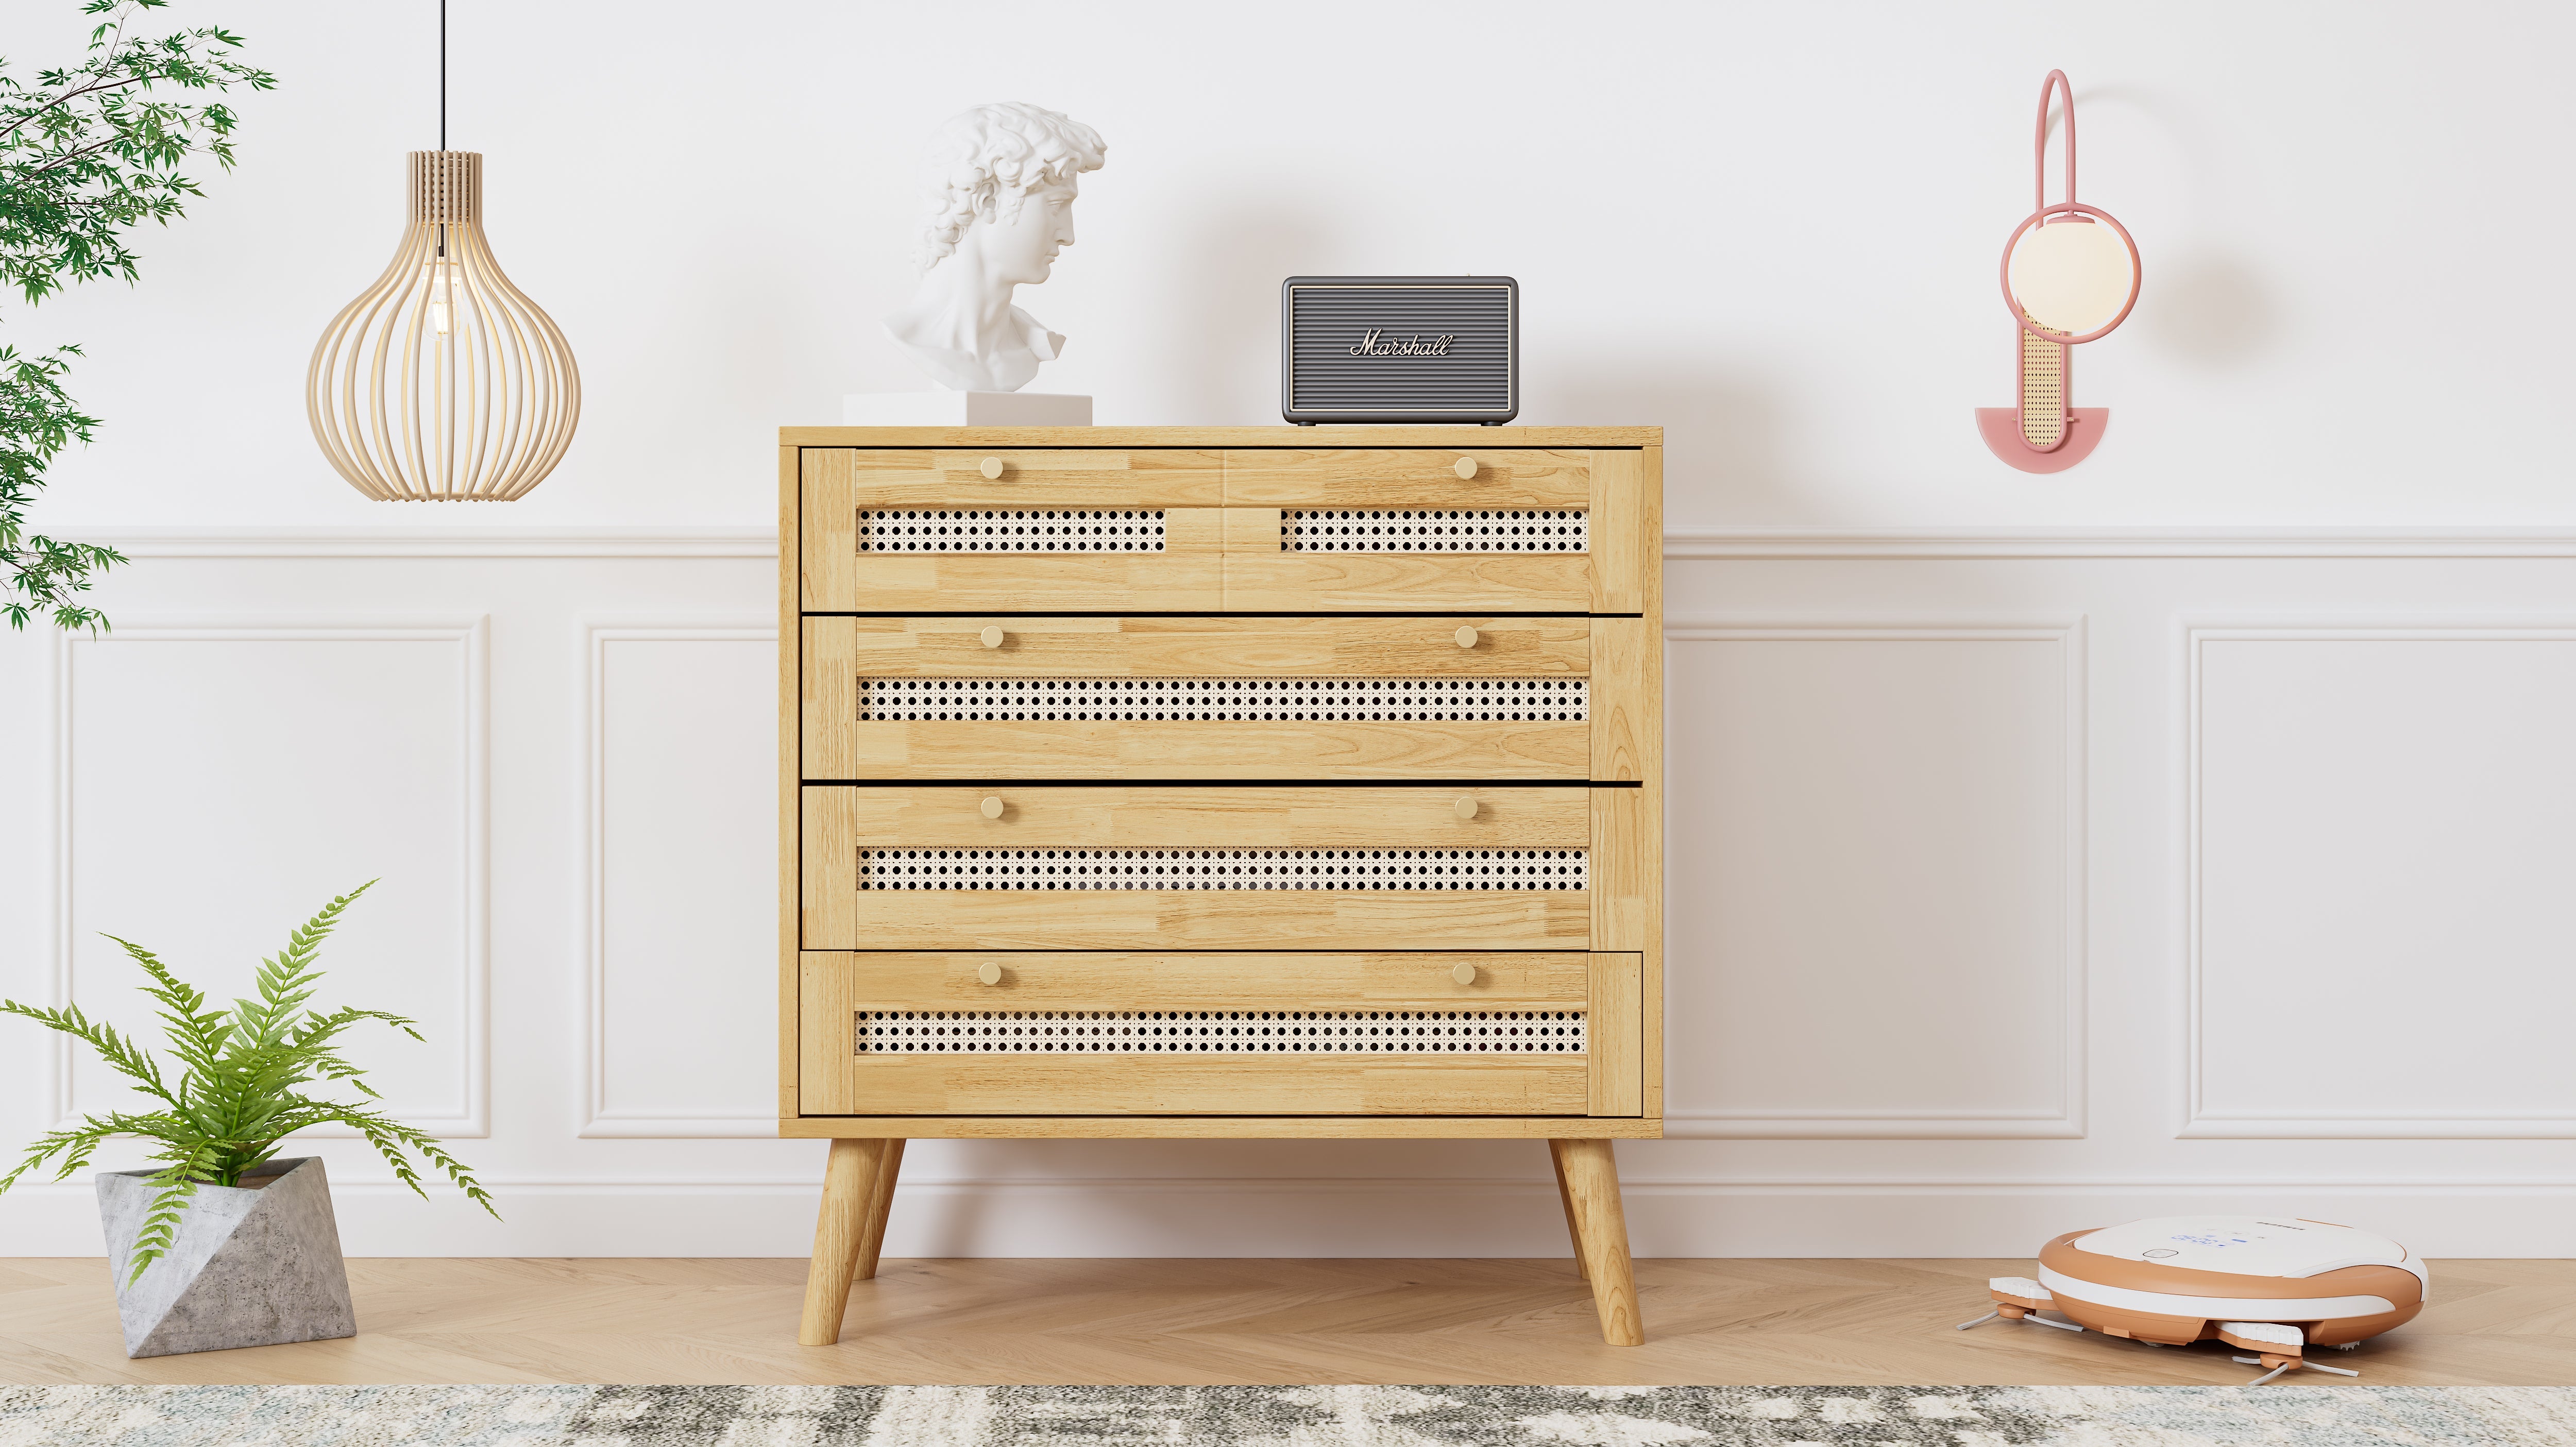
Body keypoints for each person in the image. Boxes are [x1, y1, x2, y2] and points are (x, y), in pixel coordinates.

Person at [884, 103, 1107, 392]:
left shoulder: (1032, 344)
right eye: (1055, 206)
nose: (1068, 235)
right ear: (987, 201)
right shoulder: (910, 337)